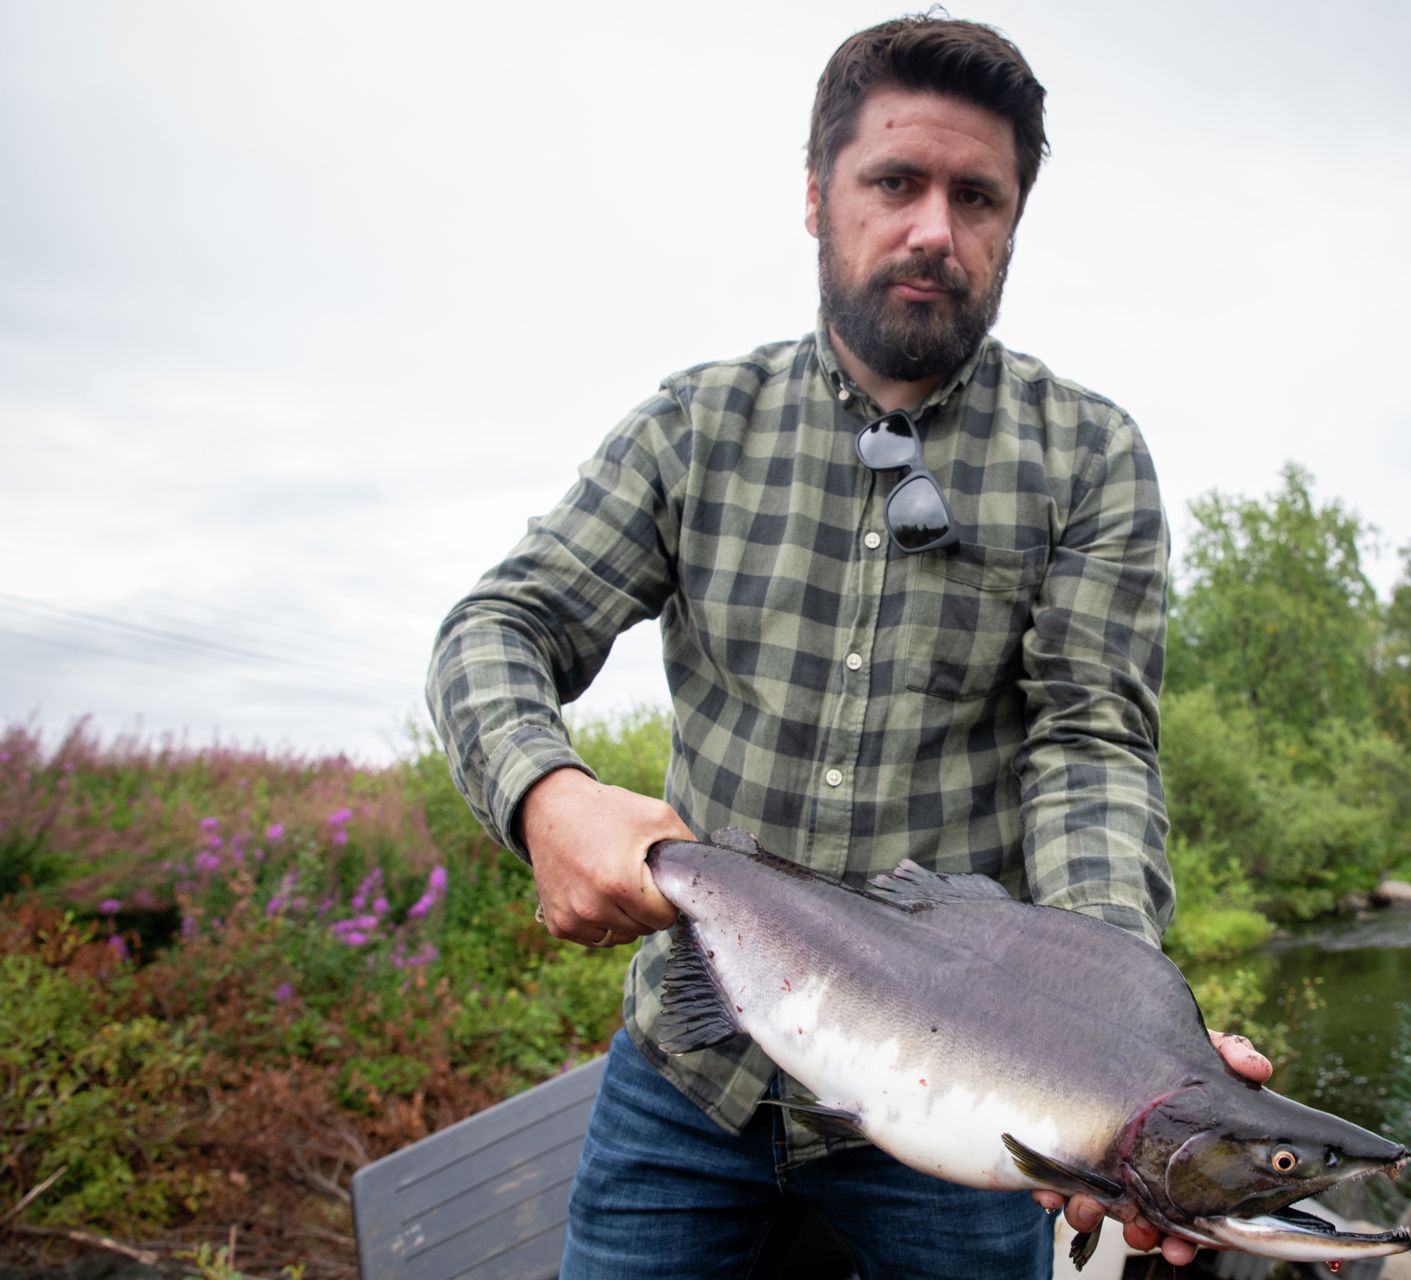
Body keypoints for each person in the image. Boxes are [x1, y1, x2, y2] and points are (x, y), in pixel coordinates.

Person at [426, 14, 1269, 1278]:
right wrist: (546, 792)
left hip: (966, 1111)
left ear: (1012, 225)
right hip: (689, 1075)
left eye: (976, 195)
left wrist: (1123, 1049)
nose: (934, 225)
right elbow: (501, 624)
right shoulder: (694, 427)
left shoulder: (1089, 457)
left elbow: (1090, 744)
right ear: (817, 200)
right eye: (894, 182)